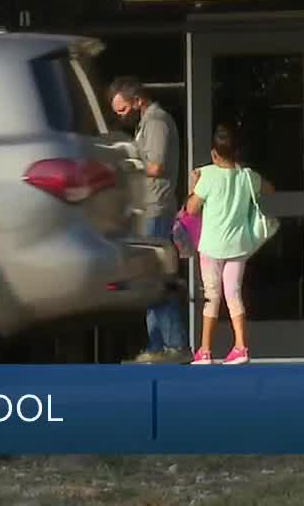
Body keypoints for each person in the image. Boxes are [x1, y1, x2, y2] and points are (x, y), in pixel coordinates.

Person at [109, 77, 190, 364]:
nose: (121, 116)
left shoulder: (156, 122)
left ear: (138, 100)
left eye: (123, 110)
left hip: (156, 209)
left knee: (156, 279)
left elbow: (155, 166)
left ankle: (174, 344)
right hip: (147, 210)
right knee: (148, 279)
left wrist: (125, 162)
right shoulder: (146, 123)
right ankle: (157, 345)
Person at [185, 125, 274, 365]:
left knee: (212, 297)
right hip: (238, 246)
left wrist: (194, 185)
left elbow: (191, 209)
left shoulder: (208, 176)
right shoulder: (248, 176)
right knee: (233, 293)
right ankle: (241, 347)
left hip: (212, 246)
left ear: (214, 153)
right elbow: (269, 189)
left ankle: (205, 351)